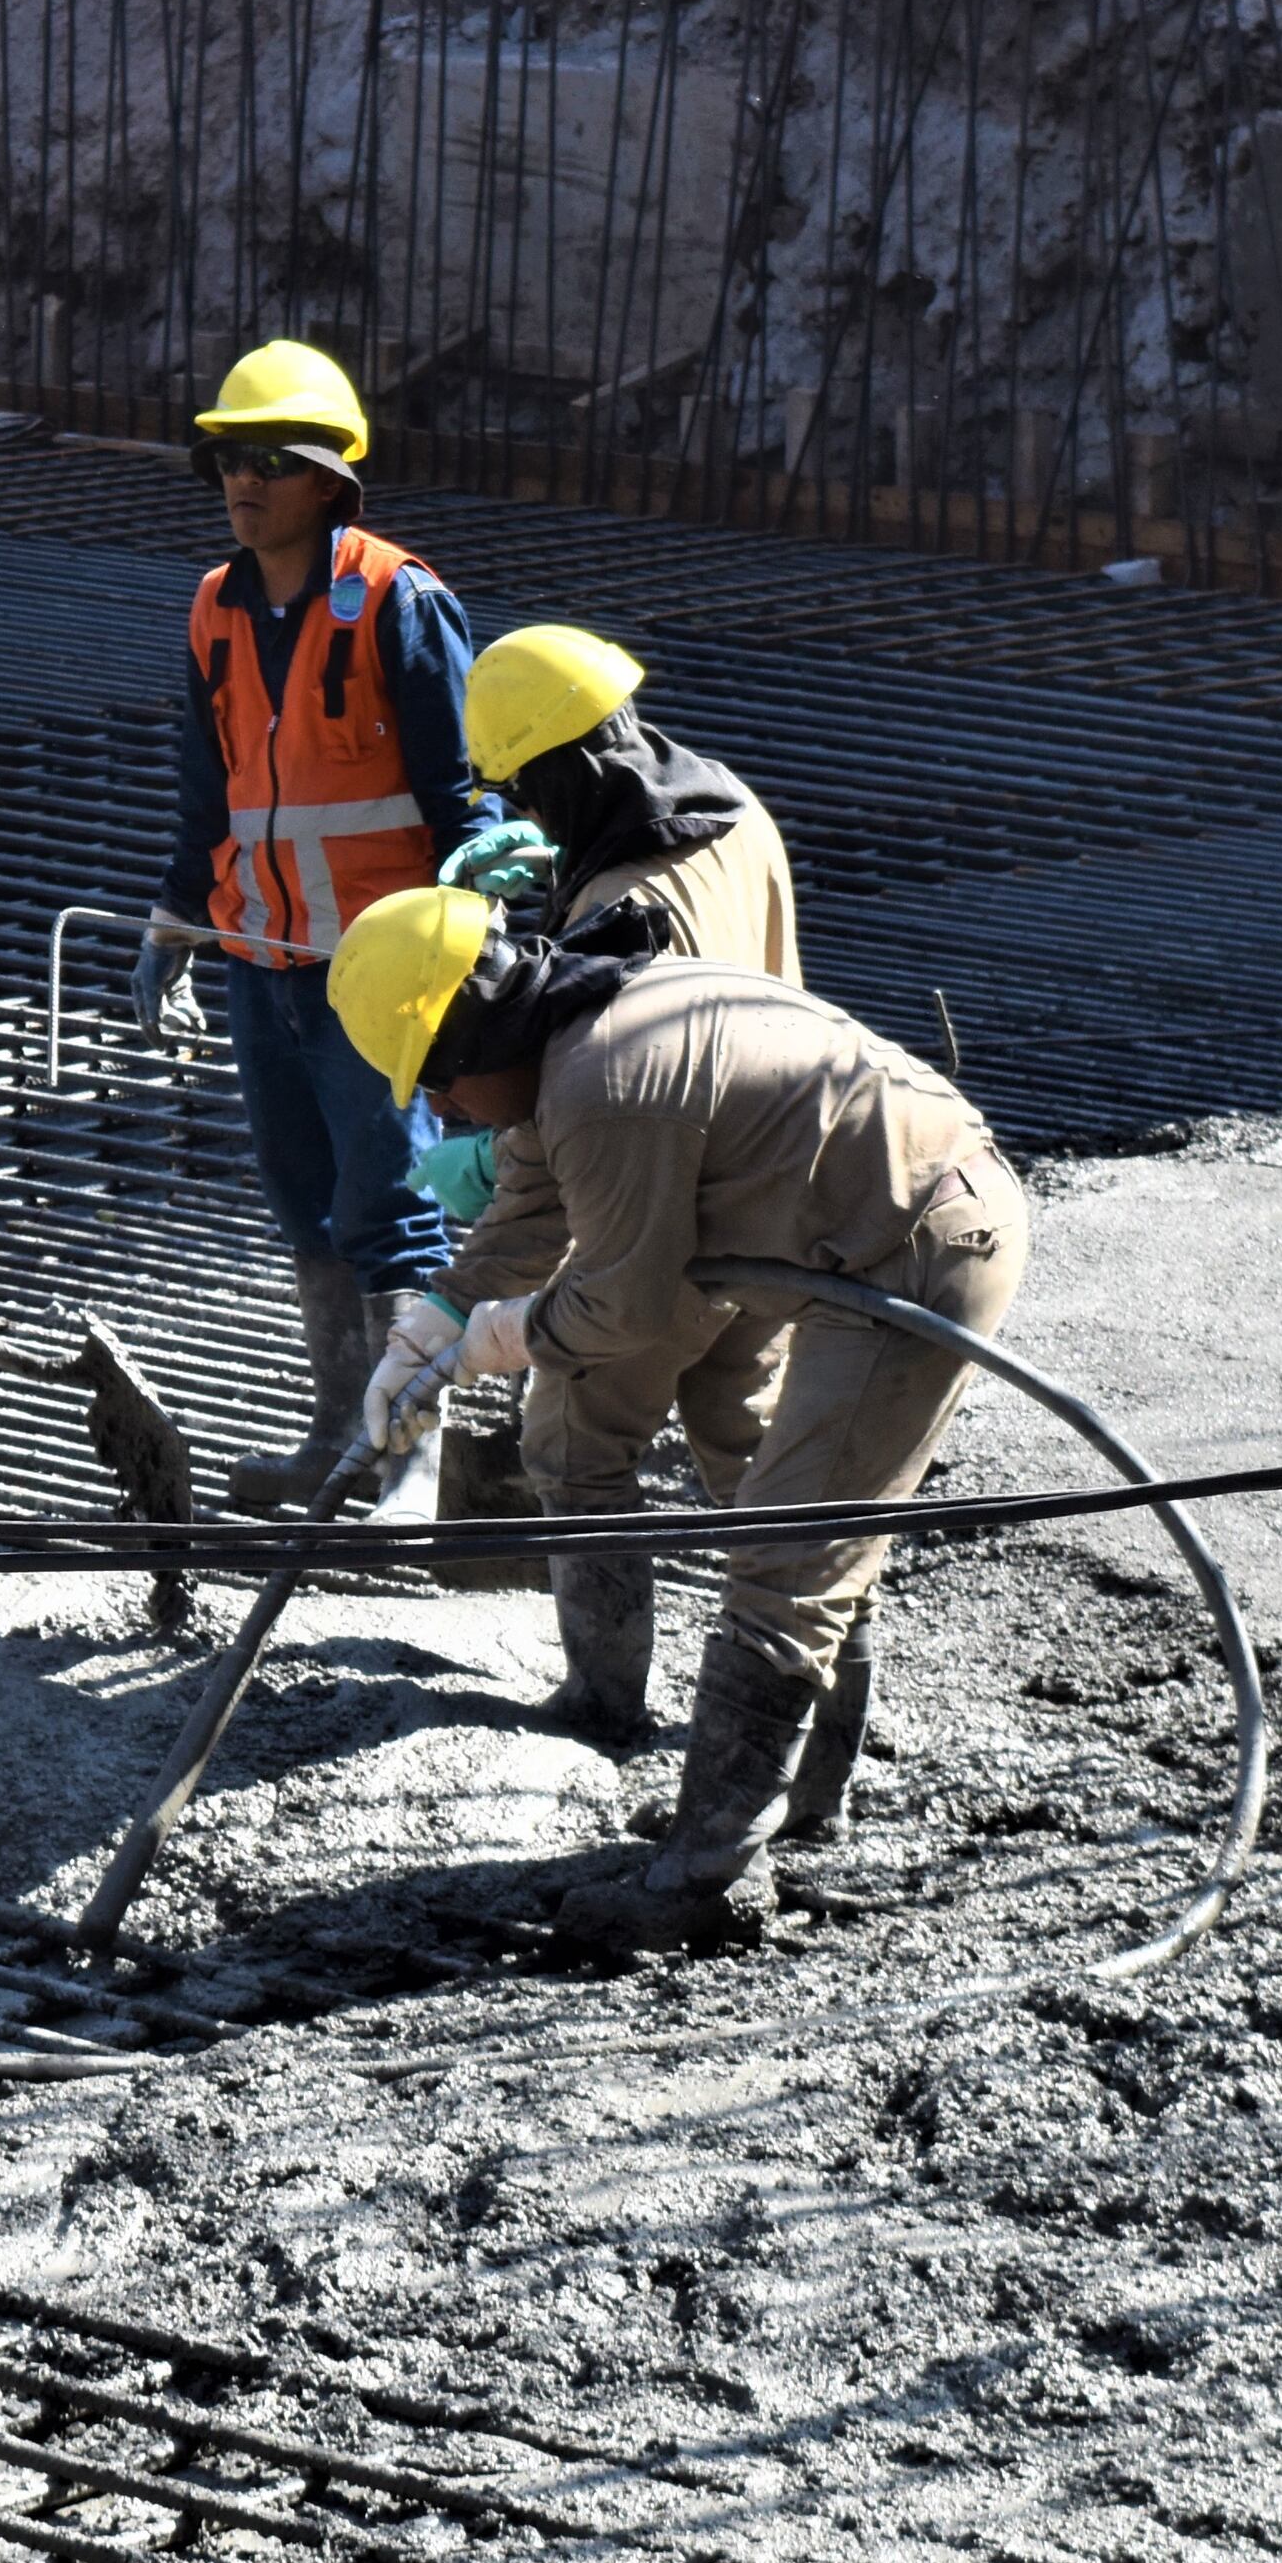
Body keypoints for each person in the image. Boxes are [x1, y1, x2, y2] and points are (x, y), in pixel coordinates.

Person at [332, 886, 1024, 1951]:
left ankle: (705, 1878)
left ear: (472, 1035)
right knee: (794, 1543)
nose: (451, 1112)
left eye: (438, 1081)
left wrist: (495, 1340)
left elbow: (621, 1303)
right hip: (848, 1232)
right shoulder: (569, 1037)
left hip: (914, 1247)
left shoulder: (604, 1081)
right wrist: (430, 1324)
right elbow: (526, 1211)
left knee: (786, 1558)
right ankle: (783, 1803)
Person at [411, 624, 811, 1759]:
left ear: (576, 768)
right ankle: (813, 1717)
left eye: (528, 792)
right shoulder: (733, 808)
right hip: (778, 1183)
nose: (522, 818)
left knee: (575, 1431)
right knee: (762, 1460)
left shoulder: (623, 919)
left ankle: (602, 1704)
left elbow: (591, 1094)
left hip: (660, 1201)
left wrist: (497, 1178)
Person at [126, 340, 479, 1507]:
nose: (243, 480)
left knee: (392, 1205)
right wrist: (178, 921)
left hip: (378, 970)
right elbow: (209, 785)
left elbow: (462, 799)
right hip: (259, 958)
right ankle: (339, 1437)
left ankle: (406, 1459)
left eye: (270, 461)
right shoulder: (213, 607)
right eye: (226, 457)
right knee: (303, 1199)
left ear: (331, 479)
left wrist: (472, 952)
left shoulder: (397, 600)